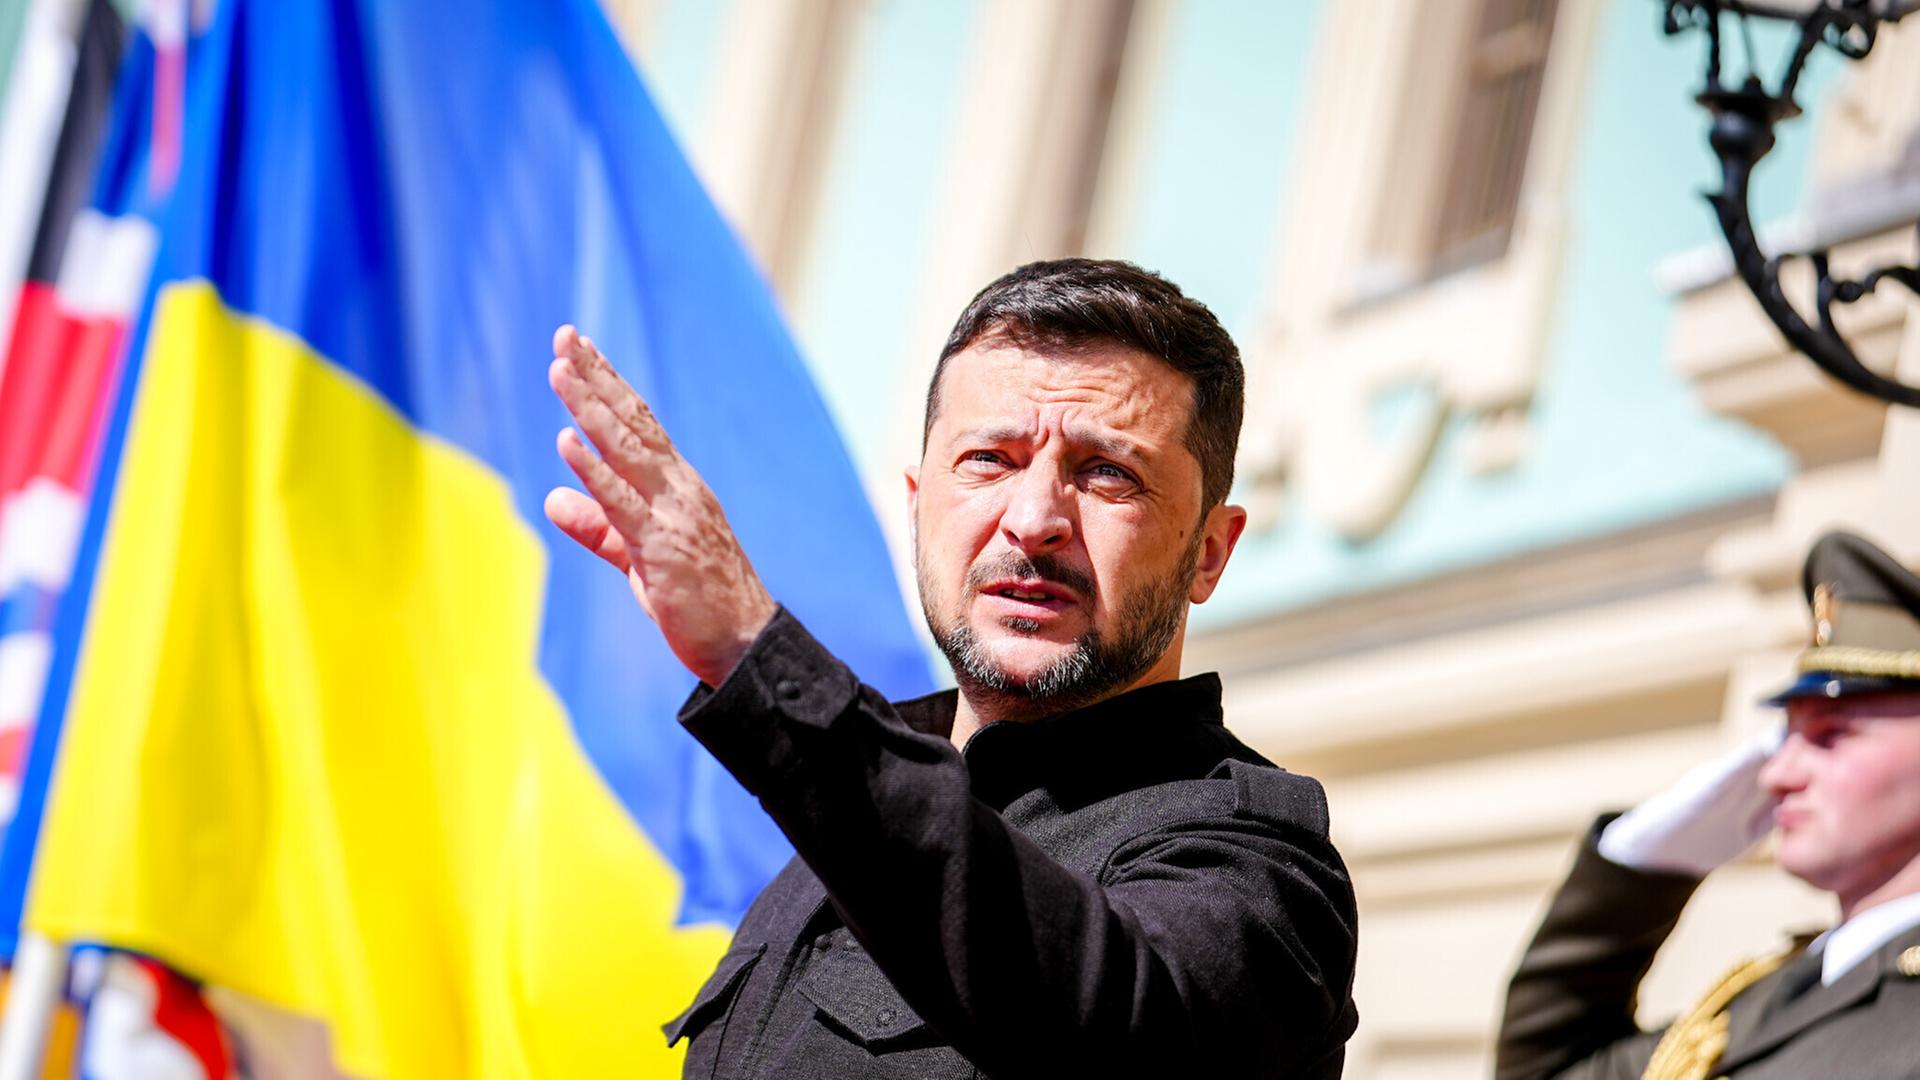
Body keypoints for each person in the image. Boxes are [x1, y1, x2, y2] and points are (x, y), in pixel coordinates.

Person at [542, 259, 1359, 1078]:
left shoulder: (1260, 870)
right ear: (917, 506)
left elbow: (1116, 1027)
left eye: (1108, 472)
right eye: (990, 460)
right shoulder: (845, 816)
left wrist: (758, 656)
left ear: (1209, 552)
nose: (1033, 520)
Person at [1496, 530, 1920, 1080]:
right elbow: (1546, 1068)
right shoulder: (1767, 997)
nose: (1776, 773)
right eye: (1785, 737)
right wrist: (1644, 862)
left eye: (1830, 736)